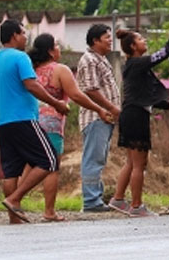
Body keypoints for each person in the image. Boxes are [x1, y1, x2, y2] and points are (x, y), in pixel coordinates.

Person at [0, 20, 69, 224]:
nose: (26, 37)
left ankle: (14, 219)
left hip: (3, 121)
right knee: (50, 159)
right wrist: (56, 103)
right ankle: (15, 199)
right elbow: (32, 85)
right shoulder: (20, 57)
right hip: (23, 118)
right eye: (23, 33)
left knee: (11, 171)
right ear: (15, 35)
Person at [108, 17, 169, 217]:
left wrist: (168, 105)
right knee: (138, 163)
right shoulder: (137, 63)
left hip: (131, 113)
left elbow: (146, 94)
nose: (145, 41)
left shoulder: (135, 66)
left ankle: (118, 199)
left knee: (131, 162)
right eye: (141, 39)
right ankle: (136, 206)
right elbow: (165, 53)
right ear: (133, 46)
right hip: (136, 116)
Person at [26, 33, 111, 222]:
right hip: (52, 123)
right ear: (50, 50)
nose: (59, 49)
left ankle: (16, 201)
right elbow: (76, 95)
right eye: (56, 46)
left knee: (31, 164)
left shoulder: (32, 70)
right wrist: (99, 109)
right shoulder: (60, 70)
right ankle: (49, 211)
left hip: (30, 121)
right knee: (52, 166)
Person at [76, 23, 121, 212]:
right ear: (95, 40)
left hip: (104, 117)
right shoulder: (90, 60)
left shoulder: (100, 59)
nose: (110, 41)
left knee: (98, 158)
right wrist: (111, 107)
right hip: (96, 116)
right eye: (106, 38)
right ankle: (91, 200)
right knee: (93, 158)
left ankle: (96, 198)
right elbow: (91, 90)